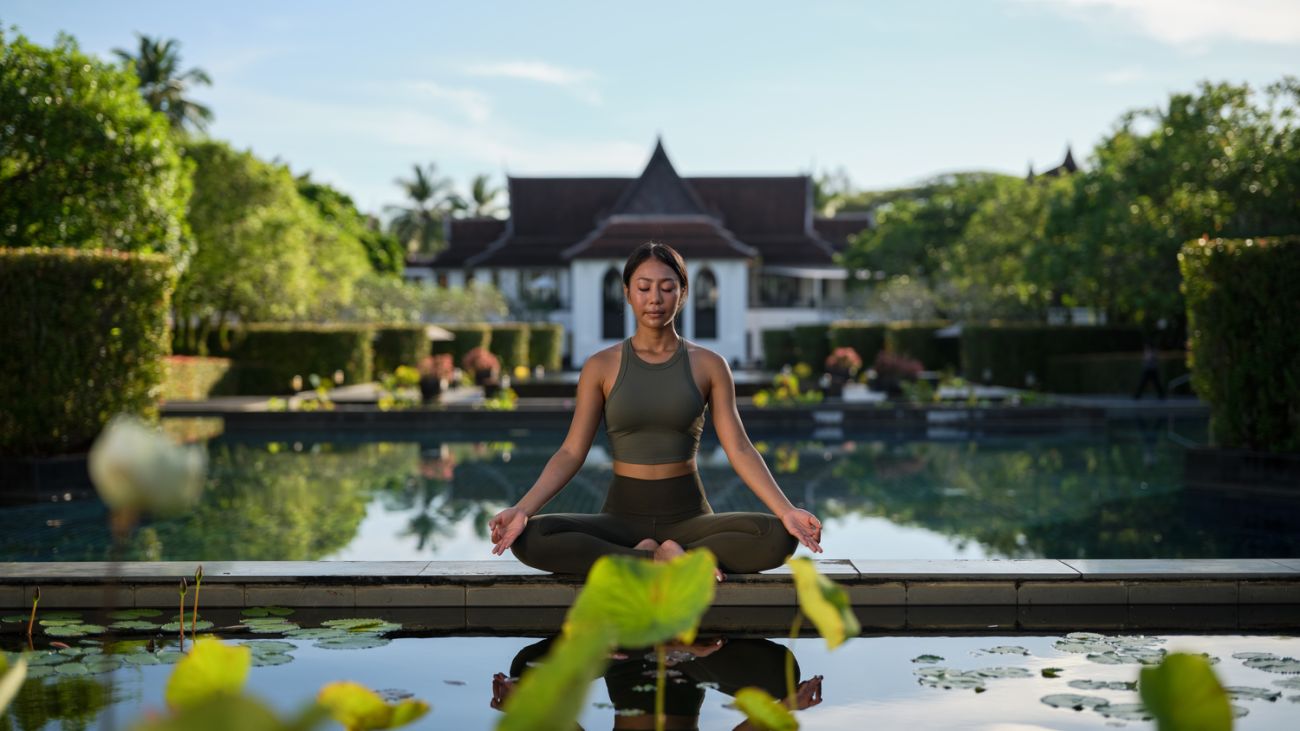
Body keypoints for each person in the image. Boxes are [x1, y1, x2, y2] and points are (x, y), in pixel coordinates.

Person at [488, 241, 822, 579]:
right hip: (620, 519)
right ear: (628, 293)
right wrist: (522, 509)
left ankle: (660, 556)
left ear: (682, 293)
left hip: (691, 518)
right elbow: (572, 451)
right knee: (532, 538)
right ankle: (658, 558)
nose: (655, 299)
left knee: (778, 537)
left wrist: (787, 510)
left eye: (667, 287)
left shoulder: (709, 365)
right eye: (644, 287)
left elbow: (738, 447)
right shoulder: (601, 366)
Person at [491, 635, 824, 729]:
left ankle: (645, 641)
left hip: (623, 658)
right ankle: (671, 644)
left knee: (528, 672)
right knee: (780, 679)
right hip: (691, 665)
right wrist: (787, 706)